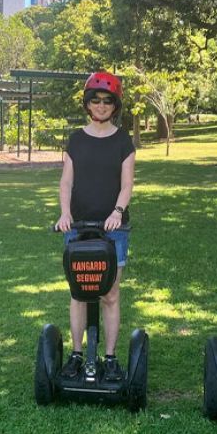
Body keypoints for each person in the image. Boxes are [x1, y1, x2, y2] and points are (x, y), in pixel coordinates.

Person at [54, 71, 136, 381]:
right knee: (79, 293)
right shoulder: (75, 139)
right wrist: (64, 213)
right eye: (95, 100)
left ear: (115, 106)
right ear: (87, 103)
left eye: (107, 101)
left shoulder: (122, 140)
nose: (101, 105)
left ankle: (111, 358)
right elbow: (66, 181)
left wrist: (117, 211)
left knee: (110, 294)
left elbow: (127, 185)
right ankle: (77, 354)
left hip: (114, 229)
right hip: (78, 227)